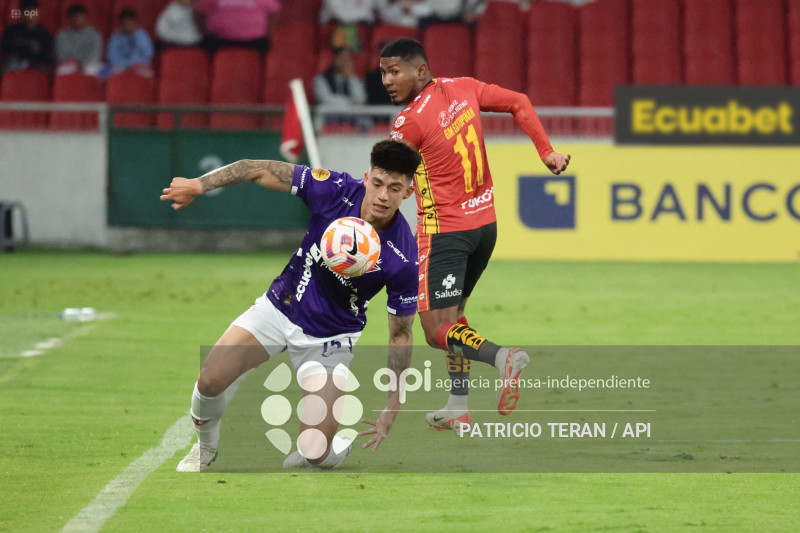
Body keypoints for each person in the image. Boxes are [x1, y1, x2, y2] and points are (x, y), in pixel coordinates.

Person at [160, 139, 421, 471]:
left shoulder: (403, 257)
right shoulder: (335, 188)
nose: (383, 195)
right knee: (209, 380)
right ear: (366, 176)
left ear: (407, 193)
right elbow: (256, 169)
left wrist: (394, 401)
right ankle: (205, 449)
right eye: (378, 183)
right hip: (279, 308)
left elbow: (401, 333)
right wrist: (199, 184)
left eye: (395, 188)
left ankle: (333, 447)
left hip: (329, 338)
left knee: (313, 453)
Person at [379, 38, 571, 430]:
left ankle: (503, 358)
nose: (386, 80)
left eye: (394, 70)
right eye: (382, 72)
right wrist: (546, 151)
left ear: (420, 70)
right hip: (485, 228)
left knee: (435, 331)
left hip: (445, 234)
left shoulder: (407, 121)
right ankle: (458, 405)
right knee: (456, 318)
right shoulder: (464, 87)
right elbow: (519, 100)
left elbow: (392, 183)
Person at [194, 0, 281, 54]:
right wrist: (204, 31)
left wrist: (268, 31)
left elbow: (274, 11)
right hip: (219, 39)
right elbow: (199, 11)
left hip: (255, 40)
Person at [314, 47, 369, 130]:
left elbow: (360, 99)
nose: (345, 62)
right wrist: (350, 103)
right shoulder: (321, 79)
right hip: (330, 116)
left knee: (365, 120)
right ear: (335, 59)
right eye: (342, 58)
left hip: (350, 117)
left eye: (347, 59)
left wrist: (351, 77)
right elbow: (326, 99)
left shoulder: (353, 79)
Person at [1, 0, 53, 73]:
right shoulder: (11, 31)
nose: (30, 16)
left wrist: (22, 52)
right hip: (13, 68)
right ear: (22, 14)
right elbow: (7, 55)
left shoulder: (44, 34)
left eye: (33, 12)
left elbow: (46, 59)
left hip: (36, 70)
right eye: (27, 13)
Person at [54, 3, 103, 76]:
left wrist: (83, 63)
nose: (79, 19)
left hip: (89, 65)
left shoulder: (94, 34)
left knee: (98, 70)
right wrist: (75, 63)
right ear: (70, 19)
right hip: (71, 65)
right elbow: (61, 55)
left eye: (81, 16)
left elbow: (96, 54)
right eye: (76, 17)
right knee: (61, 71)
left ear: (85, 17)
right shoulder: (62, 35)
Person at [106, 8, 155, 75]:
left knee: (148, 75)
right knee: (110, 73)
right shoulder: (115, 37)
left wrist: (137, 36)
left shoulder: (142, 35)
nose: (128, 23)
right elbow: (112, 56)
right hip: (121, 67)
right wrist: (126, 66)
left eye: (131, 20)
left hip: (140, 67)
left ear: (135, 22)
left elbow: (149, 53)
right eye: (126, 21)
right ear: (121, 23)